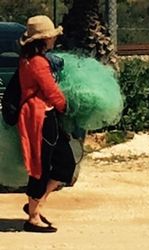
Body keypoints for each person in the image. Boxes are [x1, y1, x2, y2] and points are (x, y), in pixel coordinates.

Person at [18, 15, 76, 233]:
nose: (53, 40)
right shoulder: (38, 63)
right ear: (43, 40)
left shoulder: (29, 60)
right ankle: (33, 218)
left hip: (44, 116)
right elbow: (51, 92)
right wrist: (66, 107)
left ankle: (37, 204)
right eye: (51, 37)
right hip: (39, 117)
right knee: (40, 166)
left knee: (65, 163)